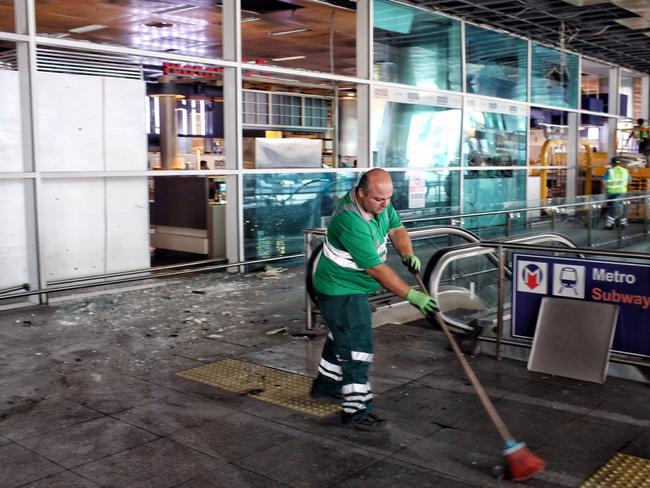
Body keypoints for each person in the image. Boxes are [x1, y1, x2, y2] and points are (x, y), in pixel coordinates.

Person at [310, 169, 437, 431]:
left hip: (351, 286)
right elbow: (377, 270)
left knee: (342, 334)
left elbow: (397, 228)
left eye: (389, 198)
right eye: (379, 199)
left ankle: (326, 385)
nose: (385, 204)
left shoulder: (380, 205)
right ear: (361, 193)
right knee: (357, 345)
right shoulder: (351, 221)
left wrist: (407, 253)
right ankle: (356, 410)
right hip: (339, 288)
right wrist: (411, 295)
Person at [602, 156, 632, 230]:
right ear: (620, 163)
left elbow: (603, 182)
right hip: (622, 193)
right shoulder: (625, 171)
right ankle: (623, 224)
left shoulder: (610, 171)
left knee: (612, 208)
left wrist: (607, 188)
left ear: (612, 163)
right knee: (622, 208)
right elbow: (629, 181)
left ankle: (610, 225)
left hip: (611, 193)